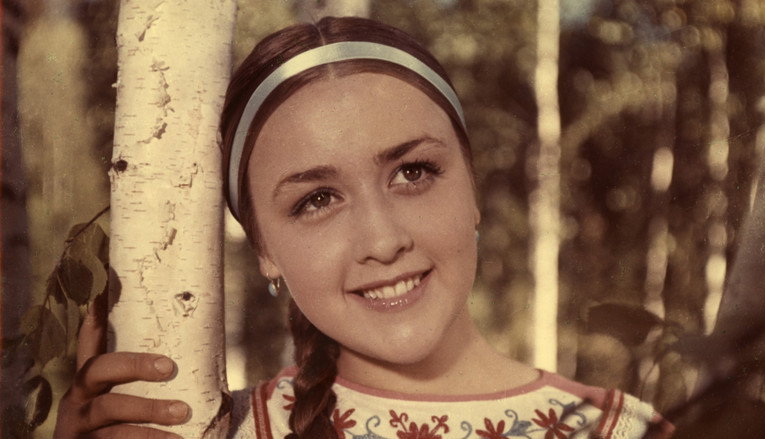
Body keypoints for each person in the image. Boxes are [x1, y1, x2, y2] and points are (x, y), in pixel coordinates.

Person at [54, 16, 674, 439]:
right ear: (264, 248)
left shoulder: (627, 432)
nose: (382, 241)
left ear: (473, 187)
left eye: (413, 172)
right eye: (317, 199)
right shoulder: (210, 431)